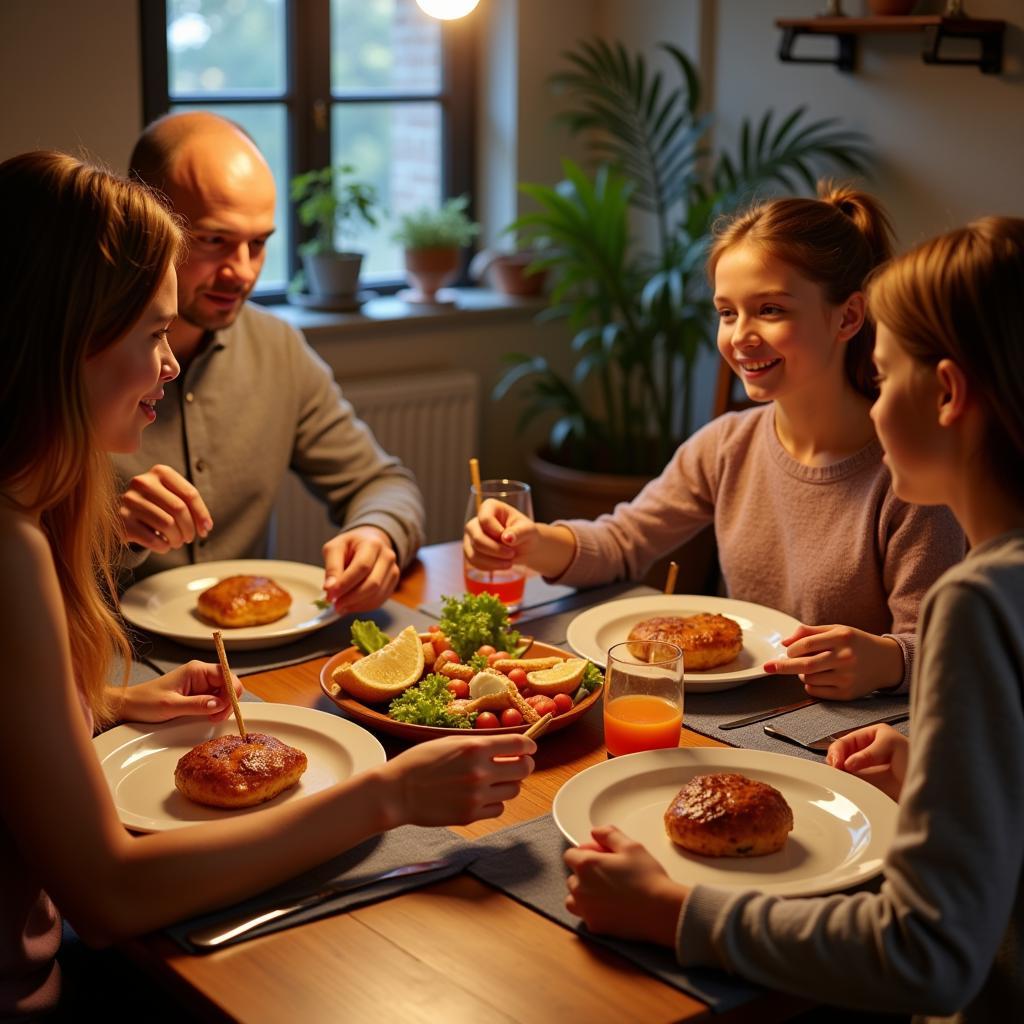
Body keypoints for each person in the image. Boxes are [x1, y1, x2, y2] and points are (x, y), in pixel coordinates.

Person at [0, 151, 534, 1019]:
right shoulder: (12, 548)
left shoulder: (23, 517)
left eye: (261, 244)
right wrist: (389, 795)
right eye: (148, 336)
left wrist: (107, 702)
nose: (167, 367)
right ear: (67, 339)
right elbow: (108, 896)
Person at [562, 217, 1024, 1020]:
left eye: (882, 377)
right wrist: (931, 764)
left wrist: (674, 913)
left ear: (946, 394)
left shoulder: (979, 601)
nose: (875, 409)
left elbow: (930, 955)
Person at [465, 184, 965, 699]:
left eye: (770, 309)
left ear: (849, 316)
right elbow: (624, 541)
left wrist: (888, 660)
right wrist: (532, 543)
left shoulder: (909, 475)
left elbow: (945, 652)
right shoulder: (727, 445)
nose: (740, 335)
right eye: (727, 313)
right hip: (731, 722)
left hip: (849, 743)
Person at [114, 111, 424, 615]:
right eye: (214, 241)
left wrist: (376, 534)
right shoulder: (74, 355)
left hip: (250, 661)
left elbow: (382, 483)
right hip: (107, 663)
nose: (242, 272)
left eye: (258, 243)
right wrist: (108, 531)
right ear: (143, 221)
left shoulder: (276, 346)